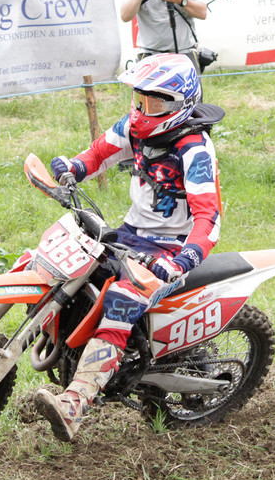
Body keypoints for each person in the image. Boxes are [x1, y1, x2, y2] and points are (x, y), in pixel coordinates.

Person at [34, 53, 222, 442]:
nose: (142, 109)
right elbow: (98, 154)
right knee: (60, 267)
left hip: (170, 250)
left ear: (180, 103)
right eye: (139, 99)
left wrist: (183, 261)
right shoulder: (134, 127)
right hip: (129, 233)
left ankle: (74, 405)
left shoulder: (195, 149)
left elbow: (209, 217)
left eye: (154, 103)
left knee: (121, 301)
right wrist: (73, 168)